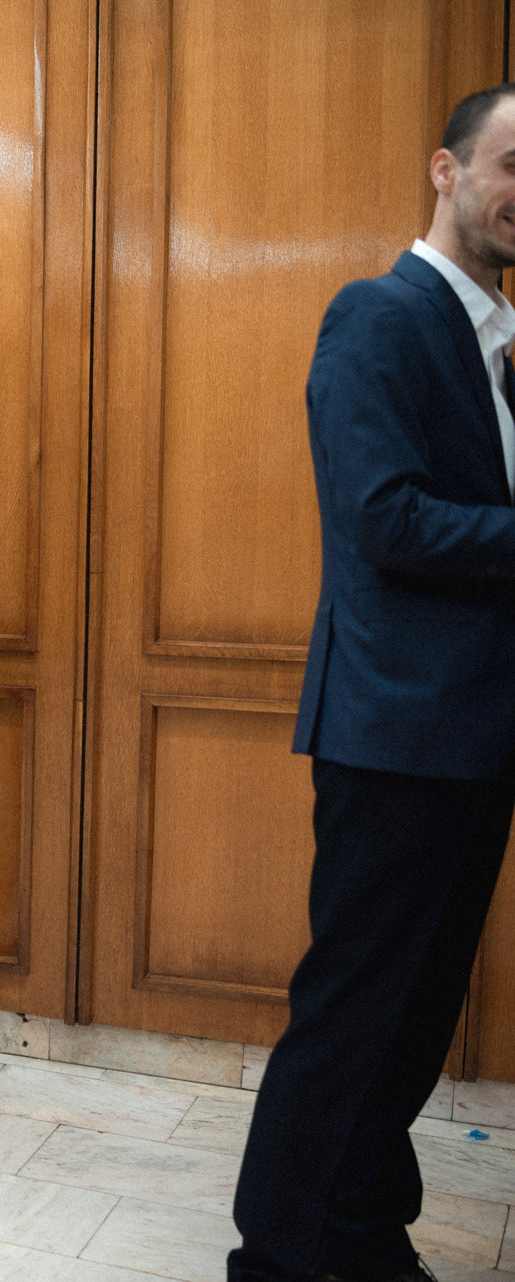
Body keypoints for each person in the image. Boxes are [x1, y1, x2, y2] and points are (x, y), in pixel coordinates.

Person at [230, 85, 515, 1282]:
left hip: (475, 733)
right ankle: (277, 1258)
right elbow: (383, 517)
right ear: (447, 170)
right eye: (513, 163)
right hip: (396, 731)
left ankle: (357, 1227)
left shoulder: (494, 340)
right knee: (354, 1014)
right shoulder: (380, 314)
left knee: (413, 1019)